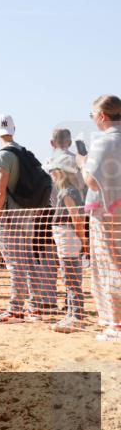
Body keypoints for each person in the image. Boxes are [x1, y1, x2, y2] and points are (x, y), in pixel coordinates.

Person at [0, 114, 56, 324]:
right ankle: (34, 307)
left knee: (15, 264)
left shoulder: (3, 155)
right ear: (14, 129)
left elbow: (0, 192)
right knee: (28, 261)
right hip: (28, 213)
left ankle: (15, 309)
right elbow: (8, 187)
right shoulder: (22, 152)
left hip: (10, 217)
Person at [77, 95, 121, 341]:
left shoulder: (103, 142)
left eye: (92, 114)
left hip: (107, 213)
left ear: (102, 116)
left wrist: (82, 162)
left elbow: (91, 179)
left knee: (109, 267)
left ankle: (115, 324)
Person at [45, 155, 87, 332]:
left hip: (68, 239)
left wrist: (82, 239)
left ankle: (75, 315)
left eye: (53, 171)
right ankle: (72, 313)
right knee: (70, 276)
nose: (51, 174)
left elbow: (76, 219)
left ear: (60, 172)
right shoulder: (71, 191)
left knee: (70, 278)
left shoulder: (67, 192)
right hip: (67, 239)